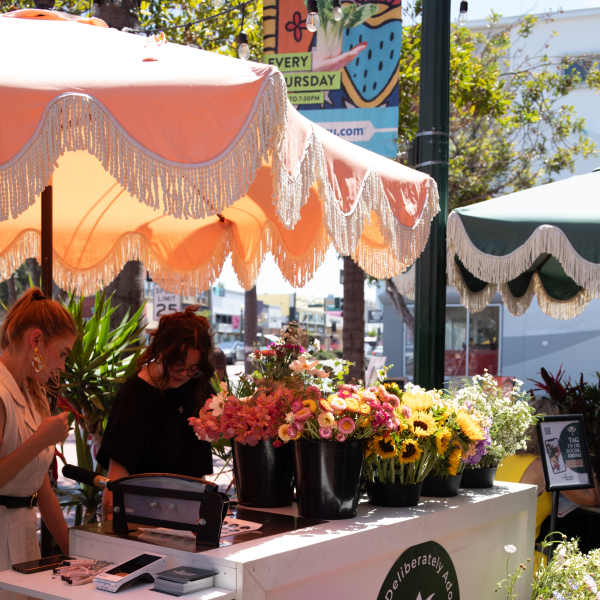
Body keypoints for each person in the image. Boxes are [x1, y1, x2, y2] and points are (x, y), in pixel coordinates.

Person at [98, 307, 215, 518]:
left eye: (193, 368)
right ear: (161, 352)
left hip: (188, 507)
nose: (184, 374)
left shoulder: (197, 386)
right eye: (179, 365)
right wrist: (112, 517)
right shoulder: (135, 395)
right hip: (141, 508)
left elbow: (198, 466)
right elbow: (117, 473)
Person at [0, 288, 76, 598]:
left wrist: (72, 550)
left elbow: (40, 484)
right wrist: (40, 440)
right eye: (62, 353)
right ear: (36, 341)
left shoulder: (35, 394)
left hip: (24, 538)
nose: (62, 366)